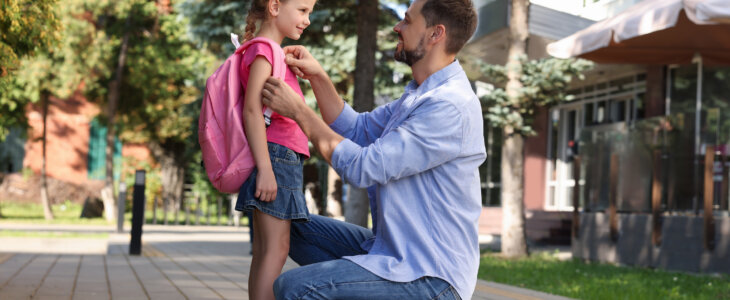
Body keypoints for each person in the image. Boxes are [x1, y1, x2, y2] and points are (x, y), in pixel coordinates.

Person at [260, 0, 485, 299]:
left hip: (431, 277)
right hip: (394, 253)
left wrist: (300, 112)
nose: (397, 27)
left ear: (435, 34)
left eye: (407, 20)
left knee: (295, 289)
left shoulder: (449, 107)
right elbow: (357, 129)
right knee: (288, 224)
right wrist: (318, 77)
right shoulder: (421, 94)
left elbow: (364, 168)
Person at [233, 0, 316, 299]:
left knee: (267, 250)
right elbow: (253, 111)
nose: (307, 20)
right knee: (275, 250)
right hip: (277, 157)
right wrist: (266, 169)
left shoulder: (268, 51)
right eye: (303, 10)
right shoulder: (265, 50)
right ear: (275, 6)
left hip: (278, 157)